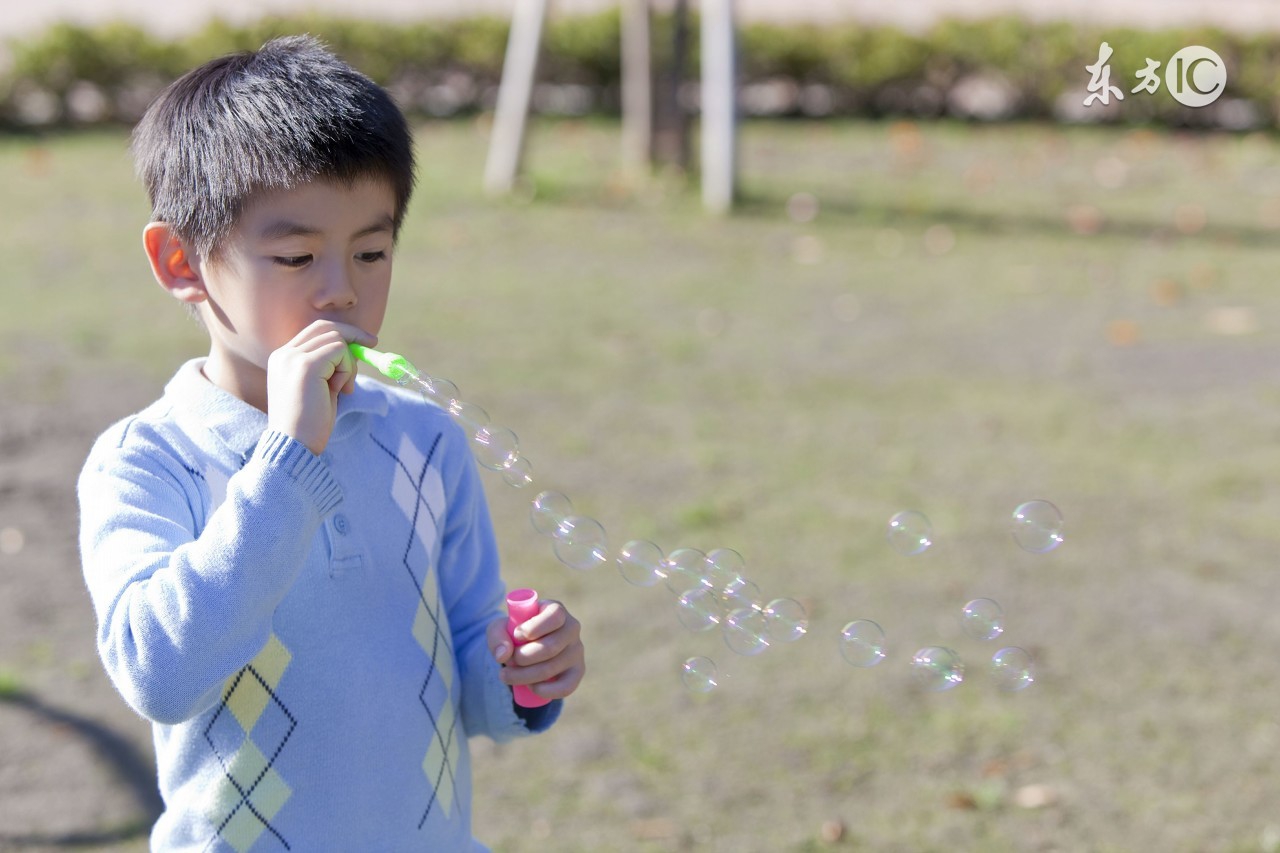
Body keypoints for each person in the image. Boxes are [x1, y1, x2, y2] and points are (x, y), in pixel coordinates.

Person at [76, 35, 585, 851]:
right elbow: (159, 674)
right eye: (296, 255)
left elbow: (471, 678)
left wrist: (524, 671)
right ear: (181, 260)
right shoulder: (147, 462)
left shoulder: (422, 438)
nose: (341, 287)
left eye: (372, 251)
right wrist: (286, 459)